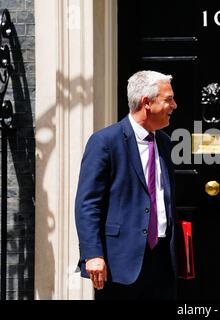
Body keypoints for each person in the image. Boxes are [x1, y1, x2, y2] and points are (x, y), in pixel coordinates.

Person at [75, 70, 178, 300]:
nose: (174, 105)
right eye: (168, 99)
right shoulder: (105, 141)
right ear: (146, 103)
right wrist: (92, 254)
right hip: (119, 262)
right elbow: (87, 204)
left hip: (162, 260)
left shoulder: (164, 142)